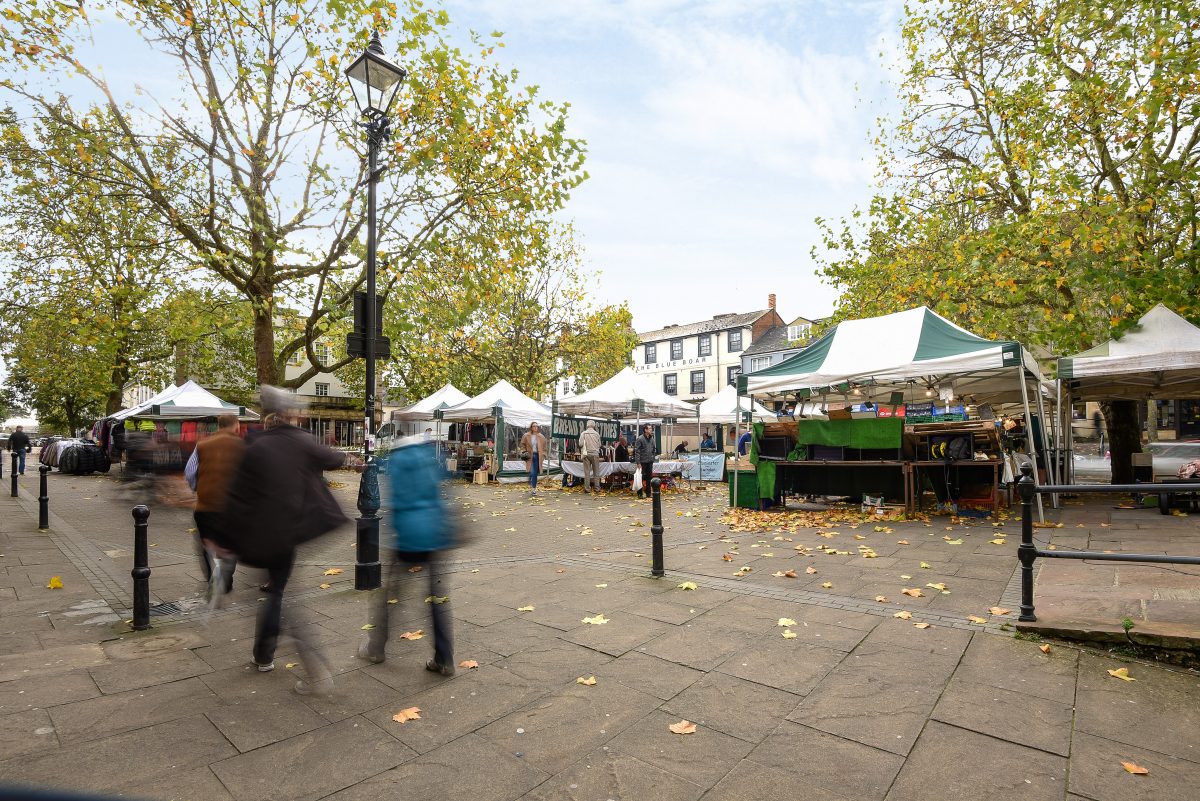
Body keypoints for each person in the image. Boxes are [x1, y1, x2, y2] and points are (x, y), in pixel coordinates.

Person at [223, 387, 353, 696]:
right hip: (291, 531)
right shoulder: (301, 440)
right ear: (290, 414)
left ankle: (283, 661)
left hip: (259, 534)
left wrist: (222, 536)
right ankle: (271, 656)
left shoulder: (254, 445)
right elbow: (334, 459)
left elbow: (237, 496)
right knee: (278, 592)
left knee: (277, 594)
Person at [358, 434, 454, 673]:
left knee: (389, 597)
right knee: (437, 600)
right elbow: (442, 491)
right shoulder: (429, 457)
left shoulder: (398, 461)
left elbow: (397, 499)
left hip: (408, 538)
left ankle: (376, 648)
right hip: (435, 533)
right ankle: (444, 658)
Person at [185, 415, 245, 602]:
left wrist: (198, 488)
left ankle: (214, 576)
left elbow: (190, 472)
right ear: (236, 426)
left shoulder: (202, 445)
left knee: (206, 544)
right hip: (233, 508)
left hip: (205, 506)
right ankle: (224, 580)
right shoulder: (244, 447)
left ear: (219, 425)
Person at [520, 422, 548, 496]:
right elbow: (522, 445)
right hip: (529, 456)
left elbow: (545, 447)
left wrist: (544, 455)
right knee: (533, 472)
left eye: (537, 426)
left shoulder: (541, 436)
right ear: (531, 427)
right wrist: (524, 451)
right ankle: (531, 481)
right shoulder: (526, 435)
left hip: (538, 456)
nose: (535, 427)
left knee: (534, 473)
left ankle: (533, 488)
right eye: (534, 426)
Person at [633, 424, 656, 499]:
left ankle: (648, 493)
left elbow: (653, 449)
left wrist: (653, 457)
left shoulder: (652, 439)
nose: (651, 430)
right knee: (641, 478)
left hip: (650, 461)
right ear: (645, 430)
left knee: (649, 478)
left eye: (651, 428)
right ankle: (640, 494)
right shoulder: (640, 439)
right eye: (649, 429)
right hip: (642, 461)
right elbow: (637, 451)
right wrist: (638, 462)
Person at [578, 420, 602, 494]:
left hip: (586, 454)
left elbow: (580, 444)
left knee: (587, 472)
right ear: (594, 425)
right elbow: (599, 445)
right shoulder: (597, 434)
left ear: (587, 425)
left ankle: (587, 488)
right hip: (595, 454)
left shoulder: (583, 433)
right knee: (596, 472)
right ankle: (597, 488)